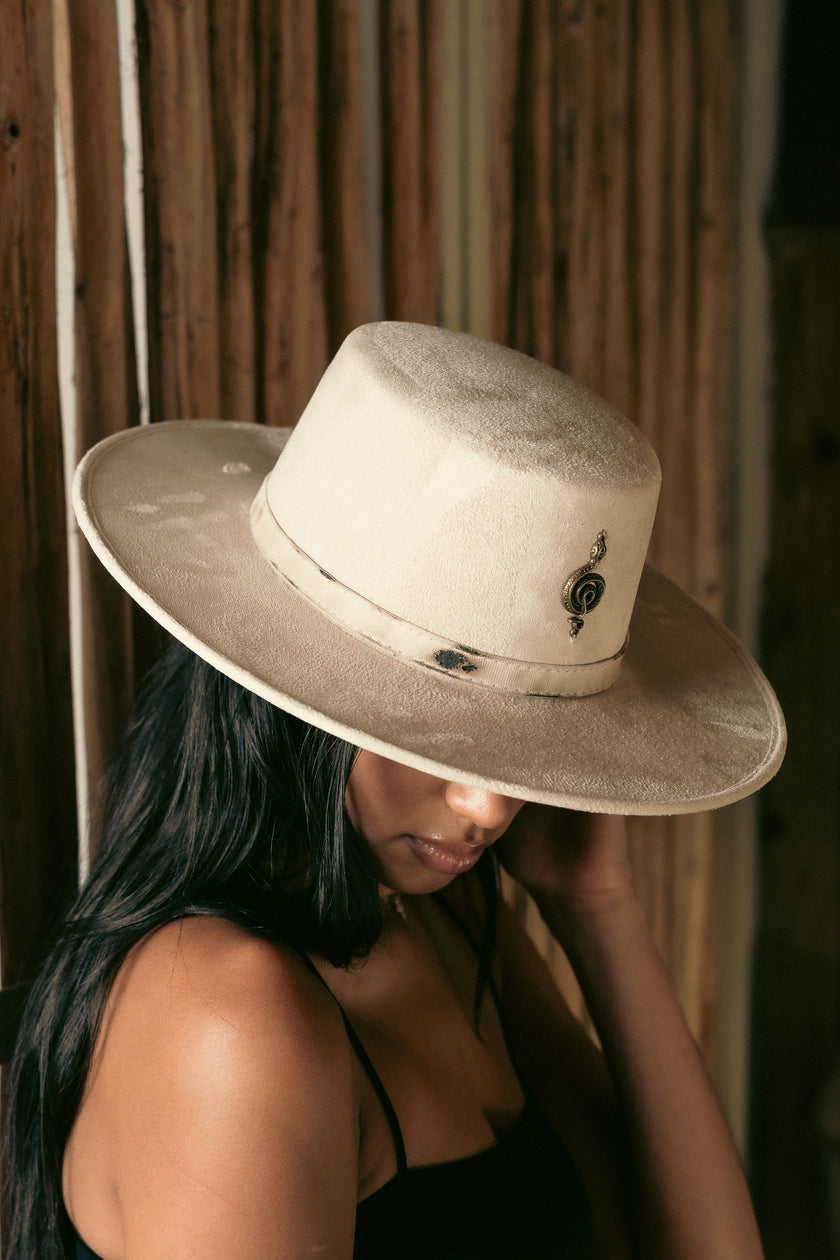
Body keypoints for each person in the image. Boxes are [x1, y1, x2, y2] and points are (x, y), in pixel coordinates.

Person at [4, 323, 785, 1259]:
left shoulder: (445, 922)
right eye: (436, 730)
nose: (489, 806)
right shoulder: (230, 1013)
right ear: (296, 686)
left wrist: (597, 909)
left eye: (522, 740)